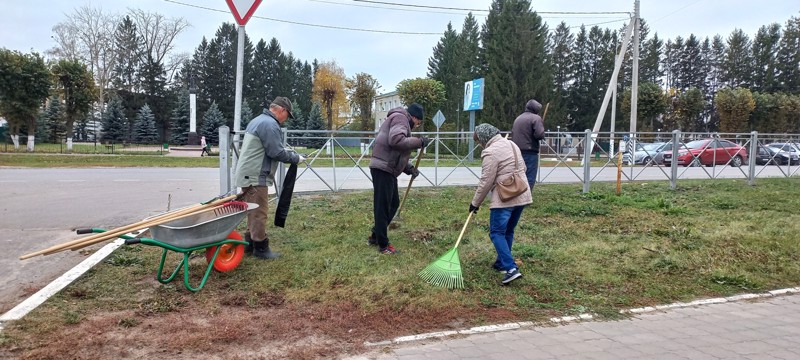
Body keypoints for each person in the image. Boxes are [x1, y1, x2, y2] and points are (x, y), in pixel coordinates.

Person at [234, 96, 305, 260]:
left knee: (252, 210)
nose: (285, 119)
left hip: (248, 173)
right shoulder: (270, 124)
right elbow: (276, 152)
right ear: (282, 110)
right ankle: (260, 247)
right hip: (256, 175)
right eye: (287, 115)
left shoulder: (259, 120)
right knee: (259, 211)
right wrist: (296, 158)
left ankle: (250, 244)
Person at [470, 123, 532, 285]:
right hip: (522, 194)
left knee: (496, 232)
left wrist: (475, 203)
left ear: (484, 138)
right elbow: (523, 167)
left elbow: (486, 181)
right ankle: (501, 263)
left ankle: (510, 269)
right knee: (508, 231)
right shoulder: (512, 144)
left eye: (479, 141)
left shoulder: (490, 152)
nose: (480, 145)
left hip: (506, 198)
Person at [367, 103, 428, 254]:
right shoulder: (401, 119)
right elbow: (397, 141)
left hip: (387, 168)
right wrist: (419, 142)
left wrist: (409, 168)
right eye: (418, 123)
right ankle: (383, 245)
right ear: (414, 117)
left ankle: (376, 235)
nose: (416, 126)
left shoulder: (400, 120)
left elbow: (396, 152)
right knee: (383, 207)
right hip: (383, 168)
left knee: (393, 203)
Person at [511, 99, 545, 189]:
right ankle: (526, 198)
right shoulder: (536, 118)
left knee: (519, 176)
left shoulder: (518, 118)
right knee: (529, 177)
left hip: (517, 151)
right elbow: (539, 135)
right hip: (530, 151)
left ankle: (516, 196)